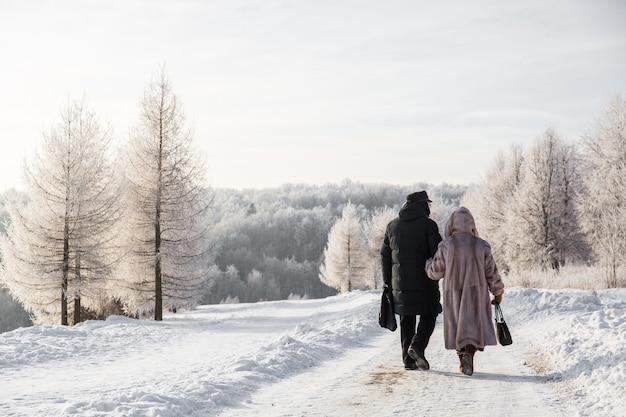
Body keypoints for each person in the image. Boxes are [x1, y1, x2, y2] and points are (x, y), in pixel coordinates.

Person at [425, 206, 504, 376]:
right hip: (477, 295)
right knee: (473, 329)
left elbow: (435, 272)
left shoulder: (446, 246)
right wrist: (497, 292)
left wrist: (428, 263)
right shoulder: (482, 245)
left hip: (453, 294)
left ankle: (462, 359)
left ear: (451, 224)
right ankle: (469, 355)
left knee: (457, 328)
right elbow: (492, 272)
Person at [381, 191, 443, 370]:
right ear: (423, 205)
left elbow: (385, 256)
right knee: (429, 314)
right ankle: (416, 346)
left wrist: (388, 282)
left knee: (406, 319)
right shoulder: (428, 226)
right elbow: (438, 254)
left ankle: (408, 361)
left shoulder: (392, 226)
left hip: (399, 284)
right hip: (425, 282)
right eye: (428, 205)